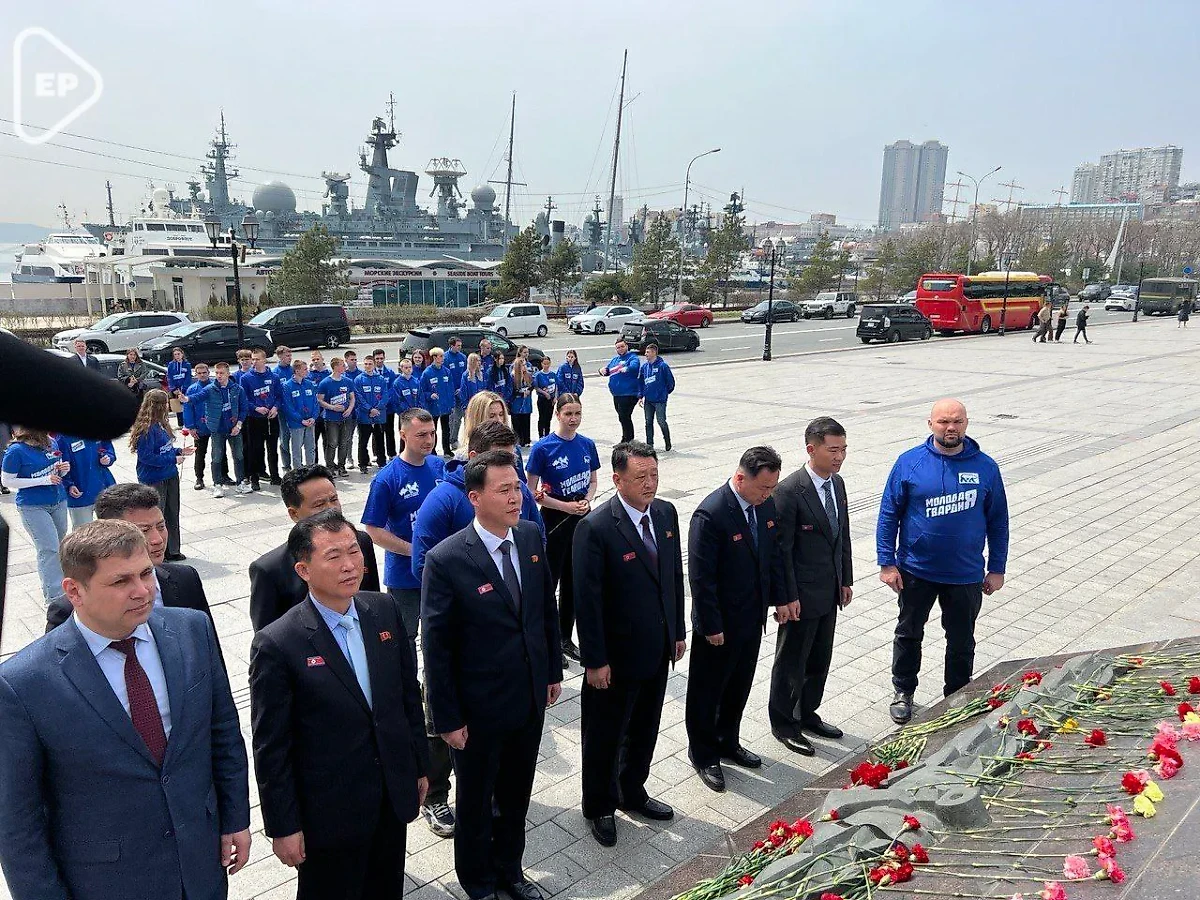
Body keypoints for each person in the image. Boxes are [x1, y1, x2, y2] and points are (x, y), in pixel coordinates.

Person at [0, 520, 251, 900]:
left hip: (200, 865)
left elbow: (222, 731)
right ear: (74, 591)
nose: (143, 591)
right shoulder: (23, 683)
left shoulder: (191, 630)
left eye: (146, 573)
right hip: (108, 883)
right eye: (120, 582)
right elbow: (19, 822)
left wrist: (235, 818)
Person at [249, 511, 428, 900]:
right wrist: (283, 825)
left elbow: (405, 695)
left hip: (389, 796)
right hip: (328, 814)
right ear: (304, 569)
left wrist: (417, 764)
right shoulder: (279, 642)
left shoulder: (382, 609)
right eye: (333, 556)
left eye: (354, 551)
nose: (350, 565)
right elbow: (271, 745)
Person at [421, 450, 563, 900]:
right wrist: (445, 718)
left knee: (517, 794)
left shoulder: (529, 538)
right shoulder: (447, 559)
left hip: (527, 699)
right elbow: (436, 646)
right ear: (475, 497)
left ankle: (511, 871)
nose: (516, 496)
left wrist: (552, 670)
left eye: (517, 486)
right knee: (477, 802)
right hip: (477, 710)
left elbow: (544, 611)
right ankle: (479, 883)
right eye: (504, 489)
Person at [574, 441, 686, 847]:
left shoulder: (666, 513)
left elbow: (673, 576)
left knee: (644, 728)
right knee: (605, 735)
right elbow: (586, 600)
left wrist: (677, 631)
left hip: (656, 648)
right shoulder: (597, 527)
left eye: (654, 475)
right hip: (615, 659)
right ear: (618, 479)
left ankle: (632, 790)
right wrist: (595, 660)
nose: (650, 484)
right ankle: (600, 805)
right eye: (641, 477)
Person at [877, 399, 1009, 725]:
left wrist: (997, 568)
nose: (951, 428)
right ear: (930, 424)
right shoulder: (910, 463)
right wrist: (887, 562)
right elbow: (888, 514)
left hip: (965, 574)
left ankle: (957, 696)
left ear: (967, 423)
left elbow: (998, 521)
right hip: (915, 570)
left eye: (957, 421)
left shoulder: (985, 467)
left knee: (962, 639)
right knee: (909, 633)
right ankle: (903, 691)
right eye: (943, 422)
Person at [361, 408, 453, 837]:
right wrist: (413, 549)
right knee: (403, 647)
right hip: (405, 580)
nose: (428, 440)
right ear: (402, 434)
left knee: (438, 648)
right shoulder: (389, 478)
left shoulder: (440, 468)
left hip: (441, 578)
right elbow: (373, 529)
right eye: (420, 434)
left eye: (432, 433)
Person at [684, 447, 789, 792]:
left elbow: (772, 555)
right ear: (741, 478)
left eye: (772, 487)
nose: (768, 495)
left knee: (738, 685)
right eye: (763, 487)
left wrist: (782, 598)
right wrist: (711, 625)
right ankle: (703, 754)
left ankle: (728, 740)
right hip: (719, 625)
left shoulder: (765, 505)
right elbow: (702, 578)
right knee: (707, 691)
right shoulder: (711, 514)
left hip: (751, 618)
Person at [769, 419, 853, 754]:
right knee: (791, 661)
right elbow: (782, 551)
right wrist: (786, 597)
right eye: (833, 450)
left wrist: (845, 578)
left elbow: (841, 536)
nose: (839, 457)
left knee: (820, 659)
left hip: (829, 590)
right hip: (800, 597)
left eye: (843, 449)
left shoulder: (838, 484)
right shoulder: (789, 491)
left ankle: (808, 713)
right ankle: (784, 723)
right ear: (811, 449)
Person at [46, 482, 215, 632]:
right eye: (143, 531)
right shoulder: (68, 610)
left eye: (161, 526)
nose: (157, 539)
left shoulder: (185, 579)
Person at [412, 421, 545, 588]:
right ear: (474, 457)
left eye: (511, 460)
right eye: (497, 460)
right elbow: (423, 566)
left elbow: (538, 539)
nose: (506, 468)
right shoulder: (443, 499)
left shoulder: (521, 491)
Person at [249, 465, 380, 631]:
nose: (331, 509)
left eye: (334, 499)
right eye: (319, 504)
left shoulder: (361, 542)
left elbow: (373, 604)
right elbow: (267, 639)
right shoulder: (269, 570)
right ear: (294, 514)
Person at [525, 394, 599, 664]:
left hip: (580, 518)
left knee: (574, 579)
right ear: (557, 414)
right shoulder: (543, 448)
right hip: (554, 520)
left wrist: (587, 500)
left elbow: (592, 480)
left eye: (578, 413)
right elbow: (531, 491)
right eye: (568, 413)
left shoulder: (587, 445)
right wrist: (564, 507)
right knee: (550, 580)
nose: (573, 419)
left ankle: (565, 636)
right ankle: (548, 641)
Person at [1, 426, 69, 604]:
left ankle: (63, 586)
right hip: (33, 506)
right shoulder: (16, 451)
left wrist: (63, 469)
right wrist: (42, 480)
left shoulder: (51, 443)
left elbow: (56, 471)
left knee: (61, 546)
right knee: (49, 549)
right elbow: (7, 481)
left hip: (58, 500)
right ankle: (54, 597)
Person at [131, 388, 193, 562]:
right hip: (154, 478)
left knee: (173, 512)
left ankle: (173, 549)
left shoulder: (162, 424)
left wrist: (180, 450)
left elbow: (165, 449)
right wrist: (173, 459)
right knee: (157, 517)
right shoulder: (146, 429)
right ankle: (158, 551)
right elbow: (147, 457)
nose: (168, 407)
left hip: (170, 474)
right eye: (165, 404)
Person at [204, 362, 252, 498]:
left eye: (221, 373)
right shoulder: (210, 389)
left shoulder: (237, 389)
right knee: (217, 456)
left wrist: (238, 425)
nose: (219, 376)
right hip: (218, 430)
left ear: (228, 374)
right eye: (217, 373)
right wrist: (186, 398)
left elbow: (244, 408)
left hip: (234, 429)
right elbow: (198, 397)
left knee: (238, 455)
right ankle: (217, 484)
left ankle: (240, 482)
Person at [459, 391, 528, 479]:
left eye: (501, 414)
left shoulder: (514, 450)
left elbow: (522, 485)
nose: (498, 420)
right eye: (492, 416)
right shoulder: (462, 457)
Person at [241, 348, 283, 490]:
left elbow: (279, 396)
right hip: (255, 419)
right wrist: (256, 408)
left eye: (257, 359)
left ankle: (275, 475)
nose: (254, 362)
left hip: (271, 418)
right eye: (252, 359)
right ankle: (254, 478)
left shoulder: (274, 377)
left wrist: (275, 408)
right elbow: (244, 400)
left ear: (264, 360)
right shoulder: (246, 378)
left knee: (272, 449)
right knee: (255, 449)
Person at [57, 433, 117, 528]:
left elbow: (109, 449)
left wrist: (108, 458)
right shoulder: (63, 438)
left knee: (112, 528)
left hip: (105, 488)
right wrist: (69, 485)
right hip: (80, 493)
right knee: (83, 531)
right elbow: (61, 466)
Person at [317, 357, 356, 477]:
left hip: (345, 418)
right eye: (342, 365)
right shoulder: (325, 383)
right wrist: (332, 407)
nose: (344, 367)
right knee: (332, 443)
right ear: (335, 367)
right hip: (331, 418)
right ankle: (330, 467)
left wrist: (349, 409)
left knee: (344, 442)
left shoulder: (348, 381)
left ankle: (341, 466)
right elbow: (319, 400)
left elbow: (352, 398)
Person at [182, 361, 217, 490]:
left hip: (215, 425)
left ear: (209, 373)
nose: (202, 375)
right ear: (196, 375)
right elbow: (187, 409)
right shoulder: (192, 389)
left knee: (219, 453)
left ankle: (222, 476)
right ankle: (199, 478)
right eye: (199, 373)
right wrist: (190, 426)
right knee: (200, 454)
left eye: (204, 373)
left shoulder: (215, 386)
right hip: (199, 427)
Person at [600, 338, 640, 443]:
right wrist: (602, 371)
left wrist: (627, 369)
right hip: (617, 394)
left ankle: (628, 440)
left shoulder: (632, 357)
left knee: (624, 416)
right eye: (618, 347)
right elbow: (608, 370)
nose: (620, 349)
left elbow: (635, 366)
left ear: (627, 346)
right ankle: (625, 438)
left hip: (628, 393)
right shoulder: (615, 360)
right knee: (622, 417)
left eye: (622, 346)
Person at [638, 343, 676, 451]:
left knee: (661, 421)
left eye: (648, 352)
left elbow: (671, 382)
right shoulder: (644, 367)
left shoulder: (663, 366)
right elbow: (641, 382)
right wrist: (640, 396)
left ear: (654, 353)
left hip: (660, 400)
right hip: (648, 400)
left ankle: (667, 441)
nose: (646, 354)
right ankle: (649, 445)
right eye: (645, 352)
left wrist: (664, 393)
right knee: (648, 422)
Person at [354, 354, 389, 472]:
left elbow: (385, 395)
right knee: (363, 441)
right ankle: (363, 464)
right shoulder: (359, 379)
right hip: (365, 416)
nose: (368, 366)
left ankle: (382, 462)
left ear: (374, 365)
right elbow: (358, 397)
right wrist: (369, 409)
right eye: (366, 364)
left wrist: (377, 408)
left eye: (370, 364)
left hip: (379, 416)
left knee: (379, 439)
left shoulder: (381, 379)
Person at [420, 347, 457, 457]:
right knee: (433, 430)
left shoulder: (446, 371)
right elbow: (422, 391)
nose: (443, 358)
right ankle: (432, 450)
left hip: (445, 405)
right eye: (440, 356)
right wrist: (429, 395)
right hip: (433, 406)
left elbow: (451, 389)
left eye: (443, 356)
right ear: (434, 357)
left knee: (446, 428)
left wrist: (452, 404)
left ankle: (446, 449)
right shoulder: (427, 373)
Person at [282, 359, 319, 467]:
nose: (307, 371)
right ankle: (298, 472)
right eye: (305, 369)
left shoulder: (309, 384)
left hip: (310, 422)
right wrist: (300, 420)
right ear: (297, 371)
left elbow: (315, 403)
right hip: (296, 424)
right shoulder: (287, 386)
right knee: (296, 450)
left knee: (311, 448)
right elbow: (288, 407)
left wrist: (314, 417)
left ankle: (311, 471)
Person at [371, 349, 399, 459]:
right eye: (377, 358)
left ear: (384, 358)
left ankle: (391, 453)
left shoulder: (390, 373)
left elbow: (392, 389)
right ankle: (377, 454)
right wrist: (376, 404)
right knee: (377, 431)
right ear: (374, 359)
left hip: (388, 408)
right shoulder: (371, 372)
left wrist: (385, 401)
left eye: (381, 358)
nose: (379, 360)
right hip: (375, 408)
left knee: (389, 430)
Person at [443, 337, 469, 450]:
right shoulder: (446, 357)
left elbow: (466, 375)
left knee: (467, 418)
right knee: (455, 419)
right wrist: (452, 391)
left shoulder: (463, 357)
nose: (459, 347)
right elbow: (446, 377)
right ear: (452, 345)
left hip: (462, 392)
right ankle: (452, 440)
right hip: (452, 394)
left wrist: (462, 389)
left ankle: (467, 439)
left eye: (460, 345)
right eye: (458, 345)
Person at [273, 346, 295, 471]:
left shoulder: (293, 370)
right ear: (280, 356)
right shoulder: (275, 372)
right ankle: (286, 465)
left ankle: (298, 462)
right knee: (284, 437)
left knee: (297, 438)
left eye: (290, 356)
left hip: (295, 409)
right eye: (287, 356)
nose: (289, 358)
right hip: (282, 411)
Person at [308, 351, 332, 465]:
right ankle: (315, 464)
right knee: (313, 442)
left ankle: (329, 463)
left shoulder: (329, 374)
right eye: (313, 360)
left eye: (317, 359)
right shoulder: (308, 376)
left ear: (322, 359)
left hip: (327, 413)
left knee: (328, 441)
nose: (316, 361)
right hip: (314, 415)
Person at [509, 354, 534, 447]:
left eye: (524, 365)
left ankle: (526, 440)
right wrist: (520, 393)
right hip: (517, 402)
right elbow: (511, 390)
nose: (524, 367)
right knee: (517, 422)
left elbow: (532, 385)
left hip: (526, 402)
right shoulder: (512, 376)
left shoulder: (527, 375)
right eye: (522, 365)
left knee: (526, 421)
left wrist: (528, 390)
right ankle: (518, 440)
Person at [166, 346, 193, 427]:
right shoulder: (171, 365)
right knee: (178, 407)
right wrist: (173, 388)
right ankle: (180, 424)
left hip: (185, 388)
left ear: (182, 354)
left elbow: (188, 377)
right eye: (175, 354)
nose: (177, 356)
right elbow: (169, 377)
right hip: (175, 389)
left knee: (186, 405)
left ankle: (188, 423)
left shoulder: (187, 364)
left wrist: (184, 388)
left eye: (178, 354)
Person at [533, 355, 558, 439]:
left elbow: (556, 386)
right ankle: (541, 435)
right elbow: (536, 387)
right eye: (544, 364)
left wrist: (555, 397)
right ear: (541, 364)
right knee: (542, 417)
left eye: (547, 364)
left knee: (549, 417)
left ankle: (547, 434)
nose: (546, 365)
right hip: (542, 399)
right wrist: (544, 393)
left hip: (551, 399)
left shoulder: (553, 374)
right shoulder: (538, 375)